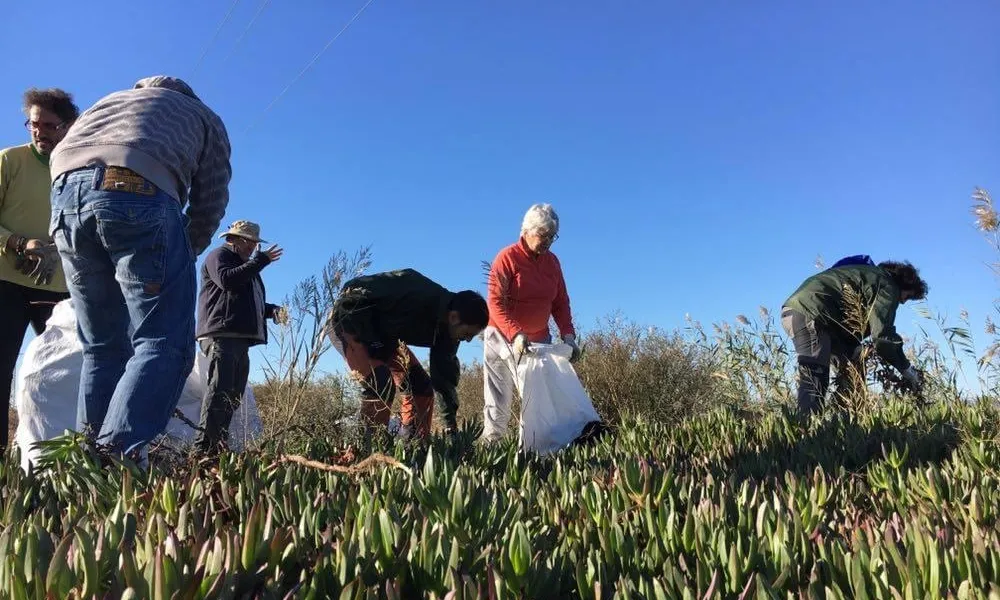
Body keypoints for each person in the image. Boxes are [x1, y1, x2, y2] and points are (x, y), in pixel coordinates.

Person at [48, 75, 232, 460]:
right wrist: (184, 251)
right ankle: (117, 461)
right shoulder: (203, 115)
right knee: (164, 342)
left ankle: (84, 468)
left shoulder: (109, 100)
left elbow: (63, 152)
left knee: (101, 346)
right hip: (137, 191)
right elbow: (210, 199)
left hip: (64, 196)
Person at [0, 87, 79, 452]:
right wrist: (20, 242)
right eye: (34, 124)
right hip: (7, 283)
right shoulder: (9, 161)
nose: (40, 132)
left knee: (65, 374)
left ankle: (61, 456)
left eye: (49, 125)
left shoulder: (76, 169)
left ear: (68, 126)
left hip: (61, 289)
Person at [327, 268, 488, 439]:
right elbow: (352, 292)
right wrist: (373, 343)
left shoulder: (449, 332)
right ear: (454, 317)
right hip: (350, 321)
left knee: (421, 387)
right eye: (468, 333)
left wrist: (451, 427)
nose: (469, 340)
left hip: (384, 337)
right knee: (381, 382)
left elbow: (445, 380)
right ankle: (367, 448)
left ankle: (415, 446)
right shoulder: (416, 290)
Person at [481, 203, 580, 442]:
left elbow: (560, 302)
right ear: (526, 231)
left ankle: (541, 446)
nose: (547, 241)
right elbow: (495, 301)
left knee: (539, 398)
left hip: (539, 341)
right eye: (543, 235)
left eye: (552, 236)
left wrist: (568, 335)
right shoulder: (507, 258)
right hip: (501, 338)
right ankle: (492, 446)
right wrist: (515, 333)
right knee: (498, 398)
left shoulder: (553, 263)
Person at [781, 260, 929, 416]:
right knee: (815, 374)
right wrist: (906, 368)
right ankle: (806, 431)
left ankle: (844, 421)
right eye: (908, 296)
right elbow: (882, 336)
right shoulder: (887, 285)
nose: (903, 301)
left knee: (856, 363)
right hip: (810, 313)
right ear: (903, 284)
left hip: (813, 315)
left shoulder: (869, 276)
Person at [194, 220, 285, 454]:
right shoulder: (219, 256)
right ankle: (203, 451)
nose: (253, 247)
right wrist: (260, 262)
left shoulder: (246, 267)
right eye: (249, 242)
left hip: (237, 338)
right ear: (233, 239)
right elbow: (227, 281)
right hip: (221, 335)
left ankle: (217, 445)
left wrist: (270, 310)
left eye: (255, 243)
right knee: (219, 392)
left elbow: (245, 301)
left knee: (233, 395)